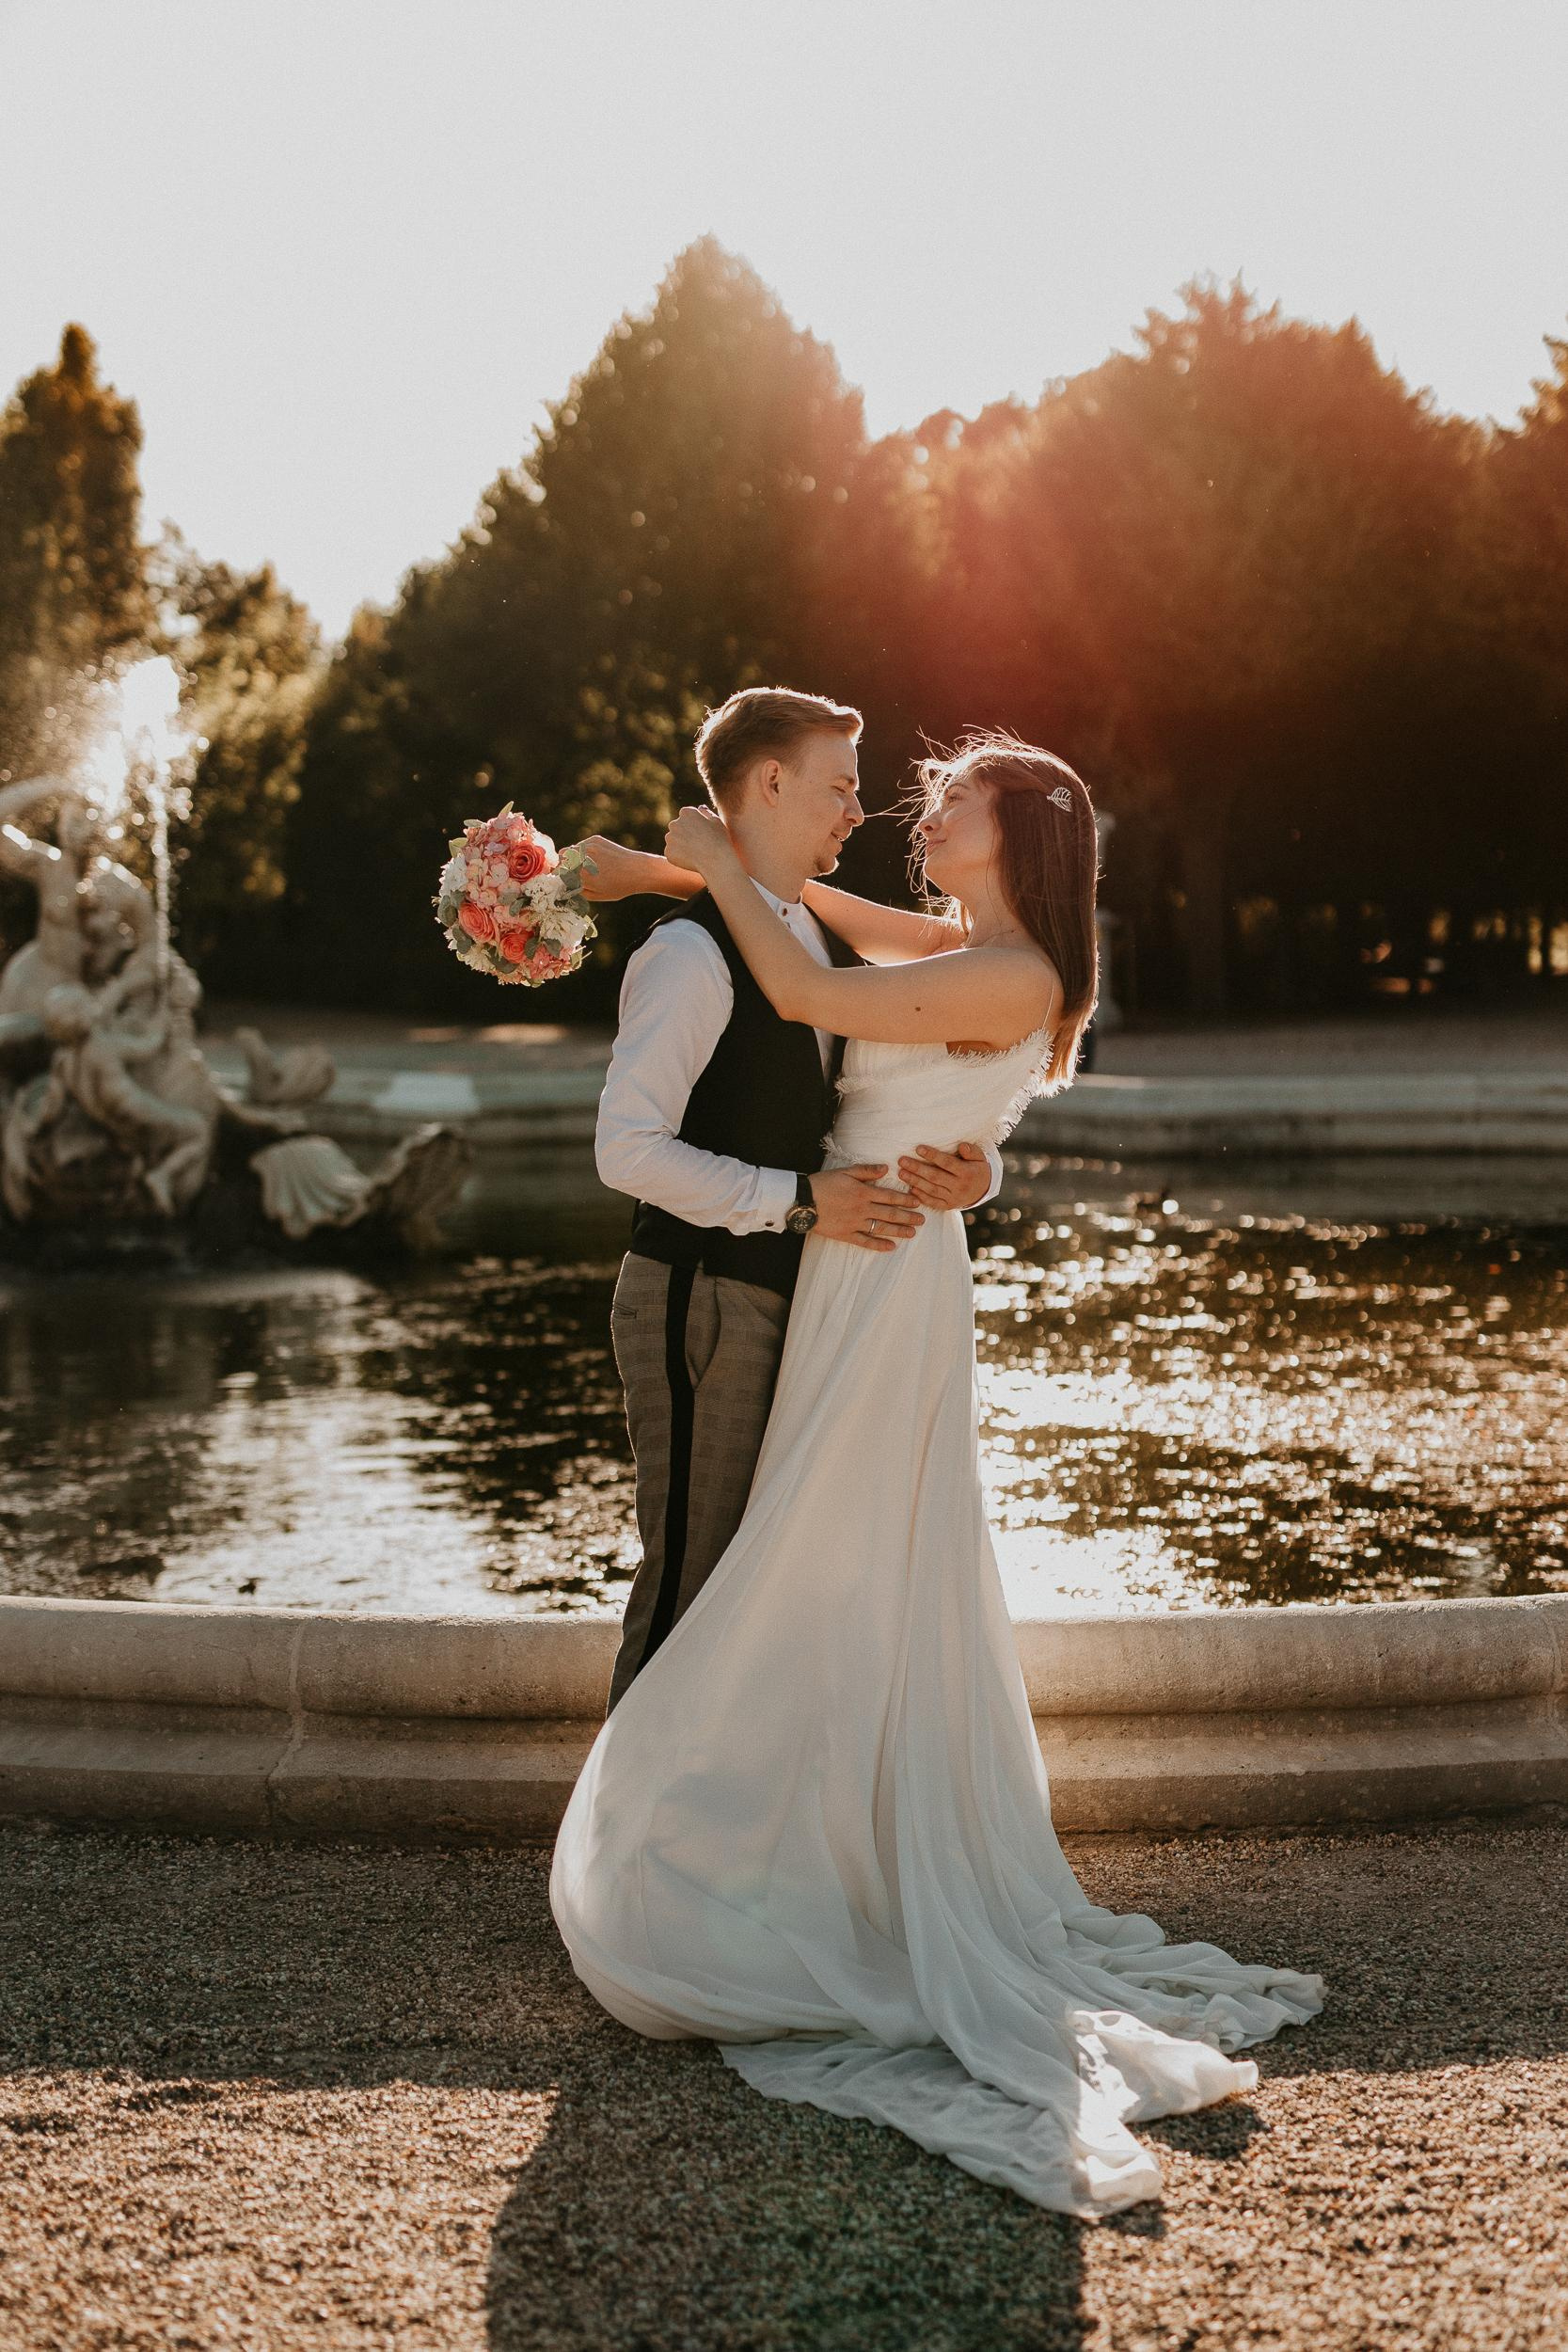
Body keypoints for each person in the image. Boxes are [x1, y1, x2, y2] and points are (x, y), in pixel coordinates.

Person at [552, 729, 1323, 2218]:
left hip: (878, 1277)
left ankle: (748, 1866)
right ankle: (775, 1852)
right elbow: (803, 917)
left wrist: (715, 862)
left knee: (824, 1560)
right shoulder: (962, 942)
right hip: (854, 1252)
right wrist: (641, 866)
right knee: (817, 1560)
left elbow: (807, 994)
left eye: (953, 797)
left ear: (1022, 826)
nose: (918, 808)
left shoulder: (1020, 968)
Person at [581, 688, 1004, 1711]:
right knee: (688, 1584)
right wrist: (800, 1201)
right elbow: (625, 1150)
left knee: (752, 1595)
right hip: (703, 1300)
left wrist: (978, 1167)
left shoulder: (809, 942)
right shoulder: (685, 953)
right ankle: (624, 1855)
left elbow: (889, 1097)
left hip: (799, 1303)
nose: (858, 811)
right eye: (841, 785)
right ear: (770, 782)